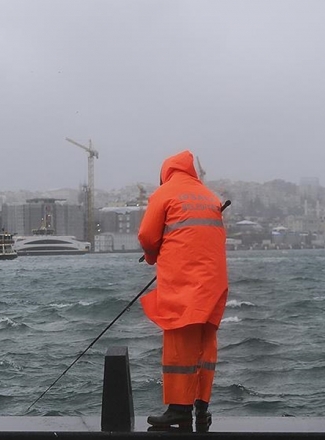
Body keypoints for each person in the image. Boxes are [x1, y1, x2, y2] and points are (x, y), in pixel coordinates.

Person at [138, 150, 229, 432]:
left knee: (179, 345)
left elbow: (147, 236)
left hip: (183, 283)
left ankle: (178, 409)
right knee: (205, 344)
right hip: (213, 283)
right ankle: (201, 409)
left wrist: (151, 257)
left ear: (165, 173)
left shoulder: (165, 194)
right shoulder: (210, 197)